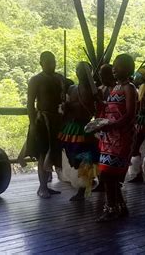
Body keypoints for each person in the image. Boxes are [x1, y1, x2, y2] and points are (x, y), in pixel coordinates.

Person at [96, 54, 137, 222]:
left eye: (118, 66)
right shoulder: (114, 88)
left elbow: (130, 114)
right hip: (109, 135)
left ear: (128, 69)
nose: (114, 68)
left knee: (108, 174)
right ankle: (120, 206)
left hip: (122, 135)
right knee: (108, 173)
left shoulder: (129, 88)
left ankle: (111, 208)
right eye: (114, 65)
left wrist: (111, 125)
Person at [23, 51, 66, 198]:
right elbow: (30, 104)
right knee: (43, 154)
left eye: (53, 61)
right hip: (42, 121)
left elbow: (67, 95)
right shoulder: (35, 80)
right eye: (47, 61)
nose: (51, 64)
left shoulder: (60, 78)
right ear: (41, 63)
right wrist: (33, 124)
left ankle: (46, 186)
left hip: (57, 121)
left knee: (53, 153)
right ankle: (42, 187)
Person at [59, 62, 99, 201]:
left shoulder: (93, 90)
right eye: (77, 69)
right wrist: (65, 106)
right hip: (71, 128)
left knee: (85, 158)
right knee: (73, 158)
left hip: (85, 128)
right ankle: (85, 184)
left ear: (88, 72)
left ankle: (83, 189)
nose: (78, 72)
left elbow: (96, 108)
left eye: (82, 70)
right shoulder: (71, 88)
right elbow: (66, 109)